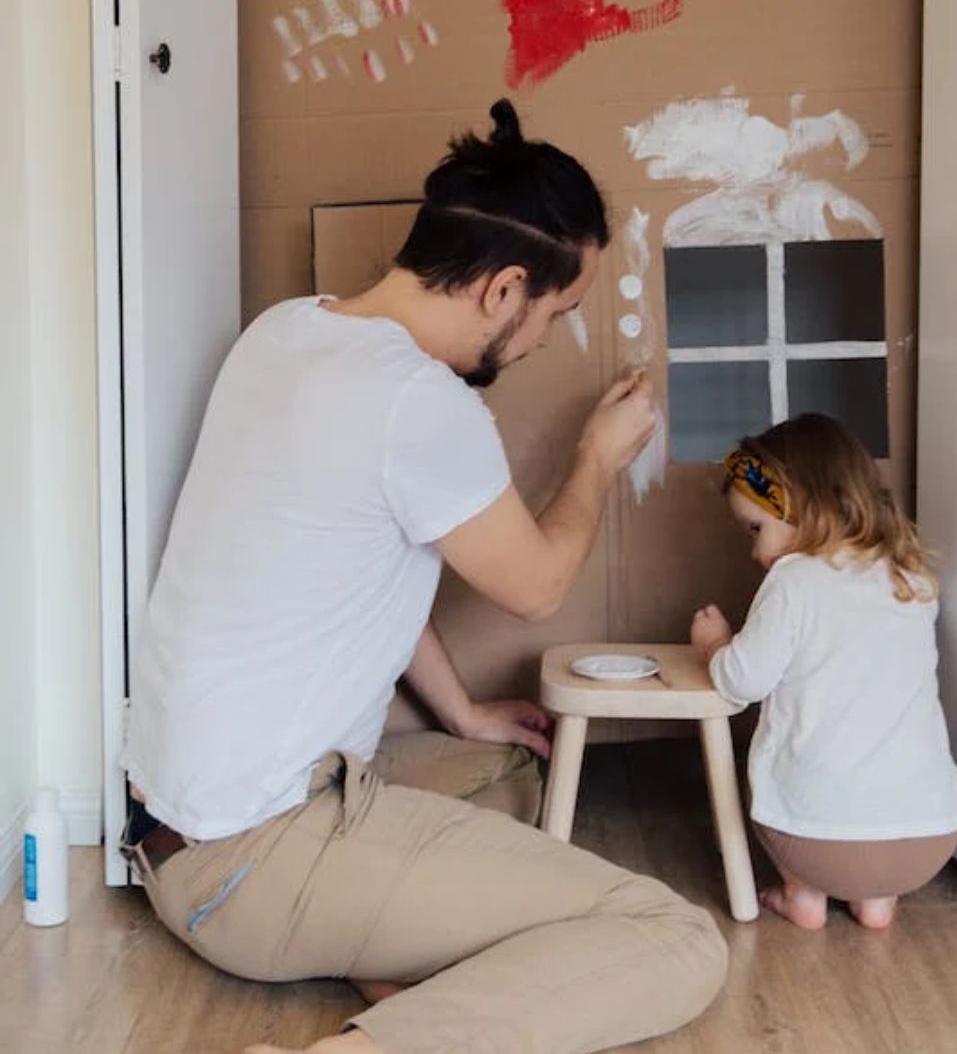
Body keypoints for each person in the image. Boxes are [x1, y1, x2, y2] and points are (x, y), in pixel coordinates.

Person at [119, 99, 728, 1054]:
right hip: (251, 864)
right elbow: (537, 587)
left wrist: (464, 714)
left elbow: (366, 578)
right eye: (556, 316)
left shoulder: (288, 331)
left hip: (175, 836)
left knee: (510, 766)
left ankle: (388, 967)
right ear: (504, 289)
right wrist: (597, 459)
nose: (544, 341)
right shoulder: (418, 402)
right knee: (676, 938)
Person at [690, 414, 957, 931]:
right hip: (928, 841)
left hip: (818, 843)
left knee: (776, 781)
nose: (757, 551)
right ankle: (878, 901)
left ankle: (801, 893)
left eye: (757, 530)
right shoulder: (911, 575)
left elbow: (742, 682)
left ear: (803, 508)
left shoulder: (793, 582)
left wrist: (715, 645)